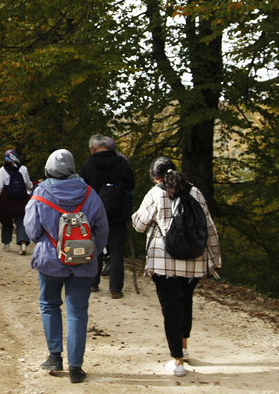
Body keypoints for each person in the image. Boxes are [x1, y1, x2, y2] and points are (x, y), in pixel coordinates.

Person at [131, 156, 221, 377]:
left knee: (169, 309)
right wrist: (215, 261)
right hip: (195, 261)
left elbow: (140, 225)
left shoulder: (156, 193)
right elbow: (210, 228)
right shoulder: (195, 192)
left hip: (164, 263)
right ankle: (184, 348)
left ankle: (177, 362)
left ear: (155, 178)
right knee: (185, 302)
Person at [24, 149, 108, 384]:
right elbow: (102, 231)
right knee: (77, 312)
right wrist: (90, 252)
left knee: (49, 305)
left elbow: (31, 230)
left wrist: (49, 244)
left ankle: (54, 357)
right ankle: (76, 368)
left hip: (50, 261)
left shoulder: (40, 192)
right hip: (83, 262)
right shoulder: (90, 194)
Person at [79, 134, 135, 297]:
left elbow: (82, 188)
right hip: (118, 212)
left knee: (95, 247)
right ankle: (115, 288)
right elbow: (131, 184)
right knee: (117, 250)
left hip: (95, 212)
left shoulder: (88, 165)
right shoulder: (121, 163)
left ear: (93, 148)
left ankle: (93, 283)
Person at [0, 150, 33, 254]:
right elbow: (28, 185)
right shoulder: (23, 168)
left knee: (6, 219)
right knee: (22, 220)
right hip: (22, 198)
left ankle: (6, 244)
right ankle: (23, 243)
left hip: (7, 198)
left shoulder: (3, 169)